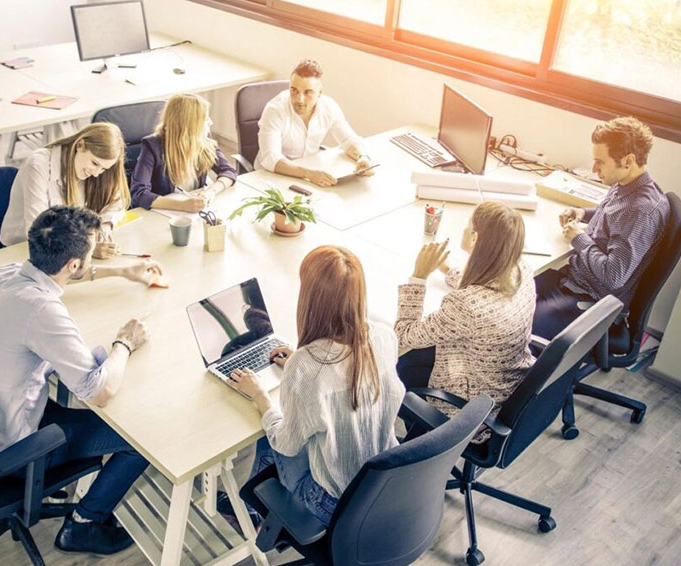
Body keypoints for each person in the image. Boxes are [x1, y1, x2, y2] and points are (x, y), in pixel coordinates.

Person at [0, 205, 162, 555]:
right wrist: (125, 342)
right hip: (11, 451)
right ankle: (83, 524)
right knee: (143, 438)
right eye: (89, 254)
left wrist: (123, 270)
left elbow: (62, 280)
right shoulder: (43, 311)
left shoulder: (2, 274)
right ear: (72, 265)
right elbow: (100, 391)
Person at [227, 246, 405, 525]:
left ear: (310, 299)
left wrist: (260, 395)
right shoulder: (383, 336)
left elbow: (286, 443)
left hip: (331, 503)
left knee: (267, 428)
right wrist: (299, 367)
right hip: (382, 487)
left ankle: (254, 515)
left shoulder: (307, 366)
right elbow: (347, 379)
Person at [395, 202, 536, 427]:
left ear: (474, 238)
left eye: (468, 225)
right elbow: (488, 292)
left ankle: (423, 438)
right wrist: (448, 270)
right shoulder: (522, 270)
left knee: (397, 361)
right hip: (506, 385)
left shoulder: (466, 306)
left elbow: (402, 334)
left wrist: (418, 276)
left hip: (470, 411)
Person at [533, 117, 669, 340]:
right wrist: (582, 213)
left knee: (516, 328)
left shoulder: (641, 211)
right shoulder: (627, 185)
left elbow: (614, 275)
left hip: (591, 300)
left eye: (600, 162)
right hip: (573, 280)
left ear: (628, 160)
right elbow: (613, 216)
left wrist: (579, 238)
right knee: (504, 292)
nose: (595, 169)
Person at [0, 122, 130, 258]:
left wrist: (105, 224)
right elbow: (39, 232)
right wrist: (87, 249)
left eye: (103, 168)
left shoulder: (97, 171)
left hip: (67, 247)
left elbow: (117, 202)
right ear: (80, 145)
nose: (97, 173)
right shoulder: (38, 165)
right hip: (21, 249)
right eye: (95, 163)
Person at [254, 59, 373, 187]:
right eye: (294, 90)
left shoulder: (329, 107)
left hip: (308, 176)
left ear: (320, 92)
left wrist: (362, 157)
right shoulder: (275, 110)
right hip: (271, 177)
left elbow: (348, 140)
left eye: (308, 92)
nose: (299, 99)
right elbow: (270, 158)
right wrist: (309, 174)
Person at [129, 93, 237, 213]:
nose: (210, 122)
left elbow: (229, 172)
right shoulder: (152, 146)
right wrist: (182, 205)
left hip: (193, 212)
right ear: (189, 125)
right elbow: (139, 193)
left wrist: (210, 192)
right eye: (205, 119)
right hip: (164, 213)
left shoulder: (204, 144)